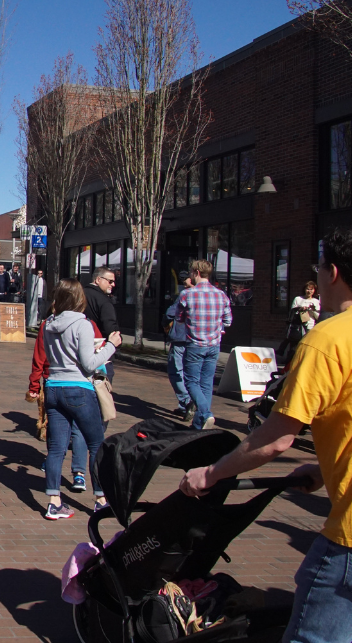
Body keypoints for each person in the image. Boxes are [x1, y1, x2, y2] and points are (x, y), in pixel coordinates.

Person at [179, 227, 352, 643]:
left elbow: (275, 438)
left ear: (331, 273)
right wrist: (330, 468)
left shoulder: (328, 340)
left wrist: (212, 473)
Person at [39, 279, 120, 520]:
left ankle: (54, 501)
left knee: (56, 448)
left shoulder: (48, 325)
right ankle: (101, 498)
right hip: (78, 388)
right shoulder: (82, 325)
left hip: (53, 387)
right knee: (96, 444)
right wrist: (110, 346)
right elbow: (88, 364)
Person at [26, 312, 91, 494]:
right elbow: (91, 358)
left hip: (52, 381)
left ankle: (53, 490)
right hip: (79, 382)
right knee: (79, 429)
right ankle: (79, 473)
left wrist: (34, 383)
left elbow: (39, 355)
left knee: (55, 430)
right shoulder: (85, 323)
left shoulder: (47, 324)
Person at [175, 259, 232, 431]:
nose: (191, 276)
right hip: (214, 344)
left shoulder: (187, 294)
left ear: (197, 273)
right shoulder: (221, 295)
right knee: (206, 383)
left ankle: (205, 413)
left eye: (192, 272)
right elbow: (228, 321)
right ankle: (200, 422)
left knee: (191, 381)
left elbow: (178, 317)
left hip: (195, 344)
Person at [165, 274, 196, 423]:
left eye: (188, 276)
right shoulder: (212, 294)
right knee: (193, 373)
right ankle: (188, 405)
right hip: (199, 341)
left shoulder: (186, 294)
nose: (185, 279)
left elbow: (171, 313)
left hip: (181, 338)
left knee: (176, 371)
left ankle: (187, 401)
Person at [84, 268, 120, 380]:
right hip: (100, 352)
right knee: (101, 391)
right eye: (110, 281)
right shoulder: (104, 301)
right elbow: (110, 327)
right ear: (98, 279)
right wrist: (116, 343)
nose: (113, 285)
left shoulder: (79, 294)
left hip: (78, 348)